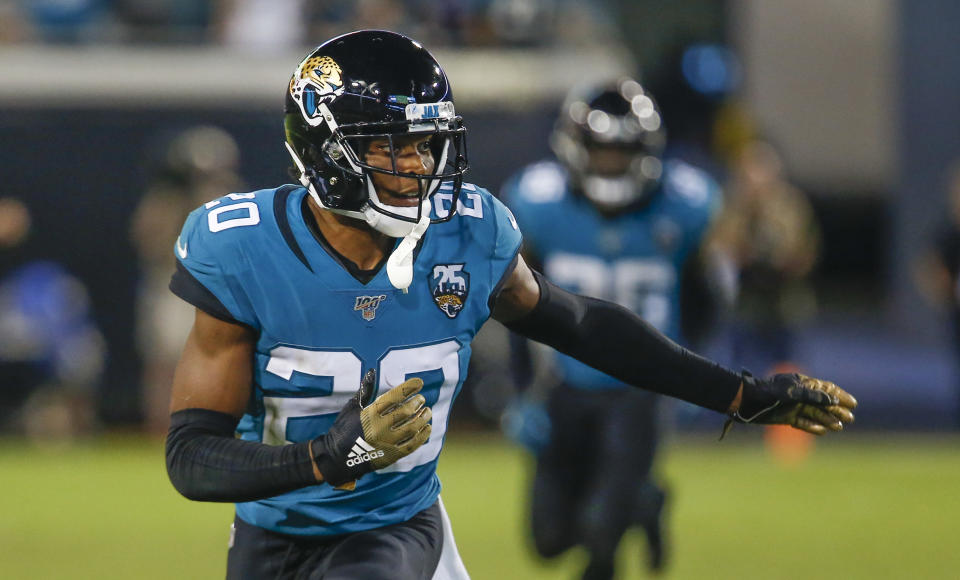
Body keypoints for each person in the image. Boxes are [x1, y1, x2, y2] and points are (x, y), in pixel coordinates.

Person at [163, 30, 857, 580]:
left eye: (426, 146)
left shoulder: (466, 234)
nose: (418, 168)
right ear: (326, 151)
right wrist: (324, 459)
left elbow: (581, 325)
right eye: (391, 148)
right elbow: (191, 457)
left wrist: (738, 394)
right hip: (269, 538)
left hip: (392, 532)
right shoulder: (243, 249)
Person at [500, 77, 722, 577]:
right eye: (601, 150)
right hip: (567, 385)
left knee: (602, 534)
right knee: (549, 541)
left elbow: (704, 297)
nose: (610, 163)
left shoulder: (684, 204)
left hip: (638, 390)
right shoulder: (537, 203)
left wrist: (691, 374)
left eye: (621, 151)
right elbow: (514, 306)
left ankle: (625, 513)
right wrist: (520, 391)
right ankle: (647, 502)